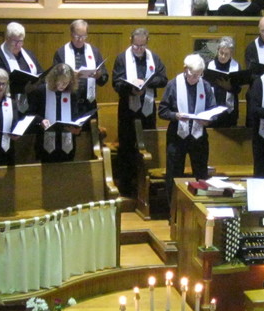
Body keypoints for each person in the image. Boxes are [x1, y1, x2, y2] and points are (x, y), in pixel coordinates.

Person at [111, 27, 167, 196]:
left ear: (147, 42)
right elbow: (116, 83)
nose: (139, 49)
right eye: (136, 46)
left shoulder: (153, 58)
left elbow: (163, 79)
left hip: (147, 110)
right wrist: (132, 89)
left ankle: (145, 184)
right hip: (128, 110)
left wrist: (147, 83)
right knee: (127, 147)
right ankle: (127, 187)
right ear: (131, 41)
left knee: (147, 145)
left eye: (142, 46)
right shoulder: (122, 58)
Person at [159, 53, 216, 203]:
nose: (195, 78)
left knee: (201, 174)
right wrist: (176, 115)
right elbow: (162, 111)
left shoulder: (205, 86)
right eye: (193, 74)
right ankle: (173, 209)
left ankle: (201, 206)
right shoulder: (173, 85)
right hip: (177, 136)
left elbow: (213, 110)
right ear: (185, 69)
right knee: (174, 174)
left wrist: (208, 120)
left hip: (199, 137)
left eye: (199, 75)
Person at [29, 63, 90, 163]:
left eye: (66, 83)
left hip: (67, 144)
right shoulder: (41, 91)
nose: (62, 86)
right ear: (54, 79)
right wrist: (41, 121)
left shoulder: (72, 94)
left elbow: (75, 116)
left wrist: (77, 129)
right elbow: (30, 114)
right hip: (45, 142)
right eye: (60, 82)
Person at [53, 19, 107, 116]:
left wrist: (99, 76)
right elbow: (55, 79)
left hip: (89, 104)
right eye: (77, 36)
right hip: (68, 103)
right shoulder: (61, 52)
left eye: (84, 36)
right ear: (71, 34)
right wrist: (69, 76)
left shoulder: (94, 52)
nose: (80, 40)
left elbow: (104, 78)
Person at [0, 21, 41, 111]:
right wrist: (23, 89)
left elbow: (40, 72)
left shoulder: (28, 54)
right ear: (7, 38)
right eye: (14, 41)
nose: (18, 45)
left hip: (32, 102)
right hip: (9, 104)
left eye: (20, 41)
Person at [204, 36, 243, 127]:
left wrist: (229, 87)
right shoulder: (209, 65)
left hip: (229, 111)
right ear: (217, 50)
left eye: (226, 54)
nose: (223, 56)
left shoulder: (236, 66)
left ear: (231, 54)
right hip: (212, 108)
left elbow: (238, 89)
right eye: (221, 53)